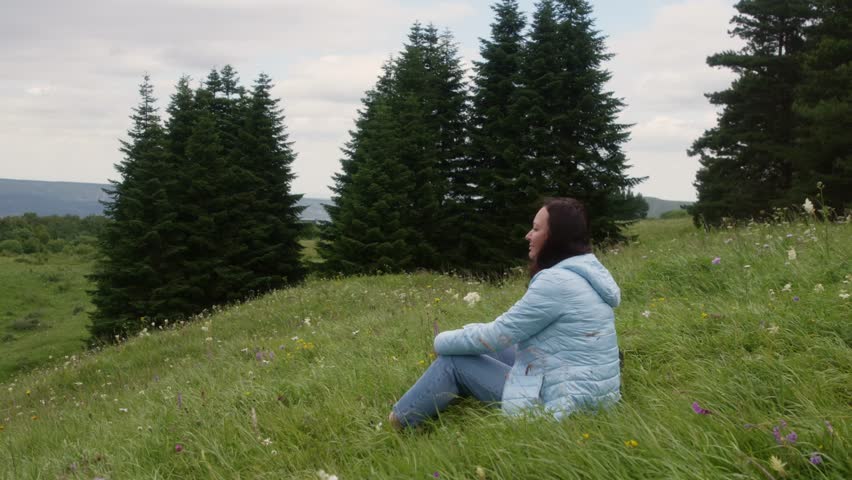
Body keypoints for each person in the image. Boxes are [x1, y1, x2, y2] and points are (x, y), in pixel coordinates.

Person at [389, 197, 622, 429]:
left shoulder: (555, 282)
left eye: (536, 229)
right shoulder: (585, 272)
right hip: (591, 396)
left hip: (560, 408)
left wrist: (440, 341)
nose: (528, 235)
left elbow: (495, 336)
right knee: (498, 348)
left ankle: (399, 420)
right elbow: (507, 336)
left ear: (555, 238)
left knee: (454, 360)